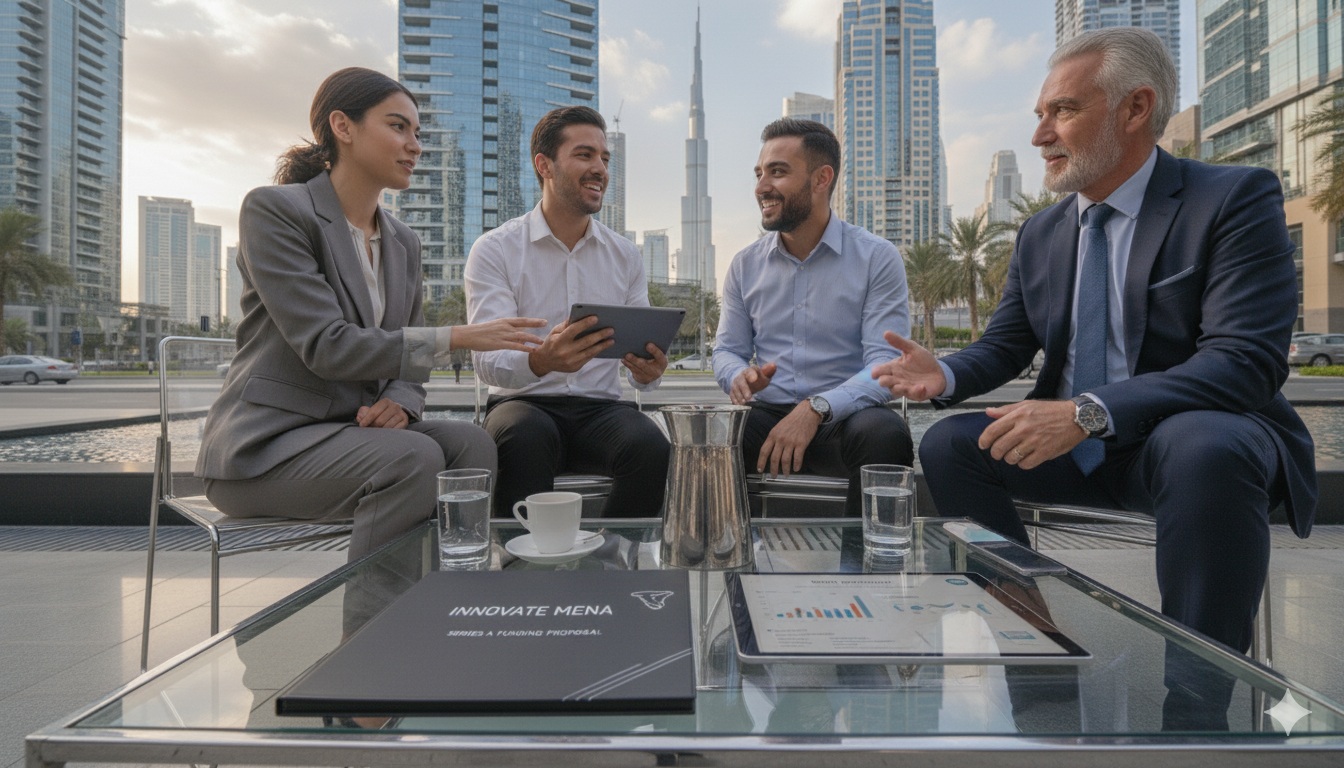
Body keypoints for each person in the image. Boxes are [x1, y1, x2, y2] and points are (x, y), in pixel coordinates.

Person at [873, 28, 1316, 713]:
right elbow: (1007, 345)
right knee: (952, 443)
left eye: (1063, 112)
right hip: (1074, 449)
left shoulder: (1232, 199)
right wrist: (949, 375)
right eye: (1039, 116)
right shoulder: (1042, 233)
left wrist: (1086, 412)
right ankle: (1032, 642)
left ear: (1135, 109)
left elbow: (1244, 363)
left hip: (1190, 446)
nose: (1040, 135)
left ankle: (1194, 703)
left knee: (1203, 446)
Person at [197, 67, 546, 560]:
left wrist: (402, 401)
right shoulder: (276, 211)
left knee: (473, 445)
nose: (415, 145)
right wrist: (462, 337)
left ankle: (453, 597)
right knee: (415, 458)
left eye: (417, 133)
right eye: (398, 126)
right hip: (266, 449)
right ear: (343, 127)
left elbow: (411, 354)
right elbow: (327, 345)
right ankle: (377, 624)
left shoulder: (403, 241)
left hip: (353, 435)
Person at [466, 106, 670, 517]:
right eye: (584, 155)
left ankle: (615, 564)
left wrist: (648, 372)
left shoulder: (626, 255)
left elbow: (640, 363)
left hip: (601, 409)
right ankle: (522, 572)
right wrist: (540, 362)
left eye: (605, 158)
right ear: (545, 165)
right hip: (523, 403)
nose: (600, 168)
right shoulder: (495, 249)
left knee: (652, 446)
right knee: (523, 437)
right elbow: (486, 362)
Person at [713, 118, 913, 514]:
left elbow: (885, 365)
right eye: (759, 174)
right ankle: (733, 566)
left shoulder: (876, 257)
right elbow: (726, 350)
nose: (761, 187)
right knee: (714, 440)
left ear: (822, 179)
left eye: (778, 172)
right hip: (767, 415)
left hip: (847, 416)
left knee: (886, 435)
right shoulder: (744, 265)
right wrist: (739, 375)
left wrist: (816, 407)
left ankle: (863, 571)